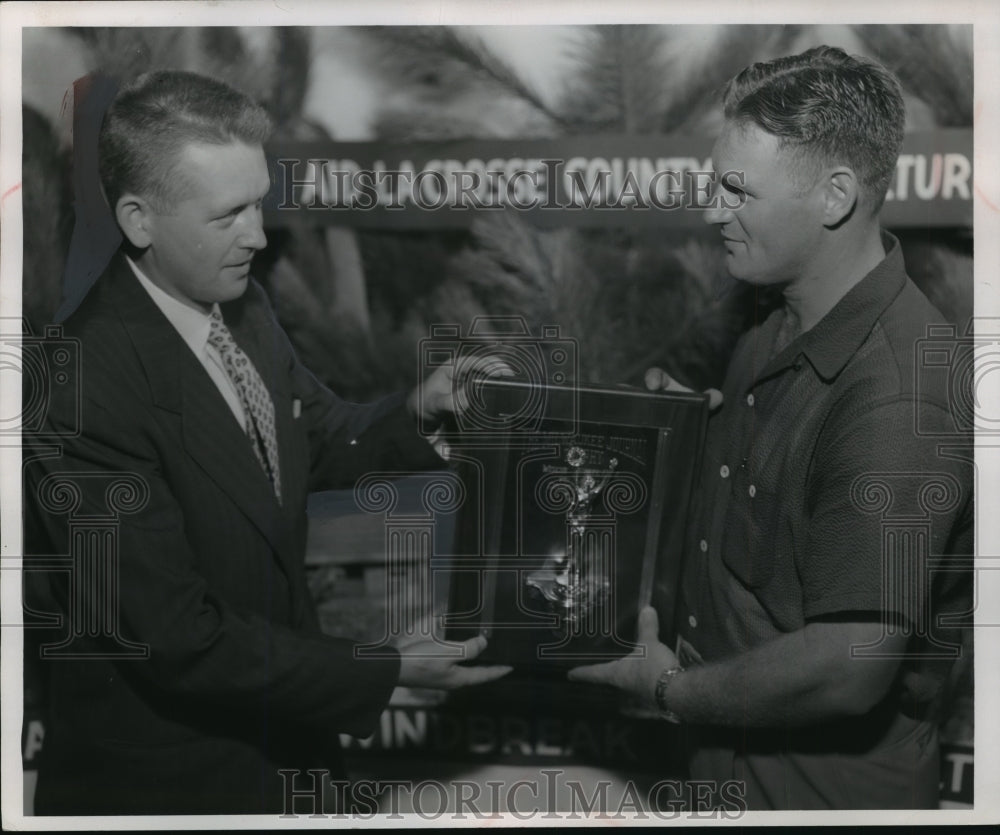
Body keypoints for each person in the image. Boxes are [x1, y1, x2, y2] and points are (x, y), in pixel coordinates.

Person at [23, 70, 510, 815]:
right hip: (172, 791)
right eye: (229, 214)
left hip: (282, 759)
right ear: (138, 220)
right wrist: (377, 668)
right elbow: (177, 638)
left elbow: (310, 437)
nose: (258, 234)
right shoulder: (81, 385)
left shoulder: (238, 303)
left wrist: (420, 406)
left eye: (259, 202)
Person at [569, 46, 973, 810]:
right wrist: (680, 432)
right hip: (726, 772)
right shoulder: (770, 324)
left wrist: (666, 687)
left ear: (835, 196)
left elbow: (850, 664)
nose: (713, 210)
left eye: (737, 190)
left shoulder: (900, 393)